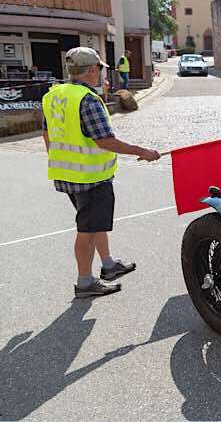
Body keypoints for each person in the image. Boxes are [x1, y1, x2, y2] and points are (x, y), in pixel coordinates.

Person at [42, 47, 160, 297]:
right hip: (90, 178)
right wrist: (143, 151)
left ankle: (108, 265)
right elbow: (105, 140)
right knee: (86, 230)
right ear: (92, 70)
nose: (101, 74)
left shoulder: (53, 95)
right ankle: (84, 283)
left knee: (94, 223)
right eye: (100, 70)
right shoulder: (87, 100)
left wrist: (59, 157)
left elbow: (47, 133)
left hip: (67, 174)